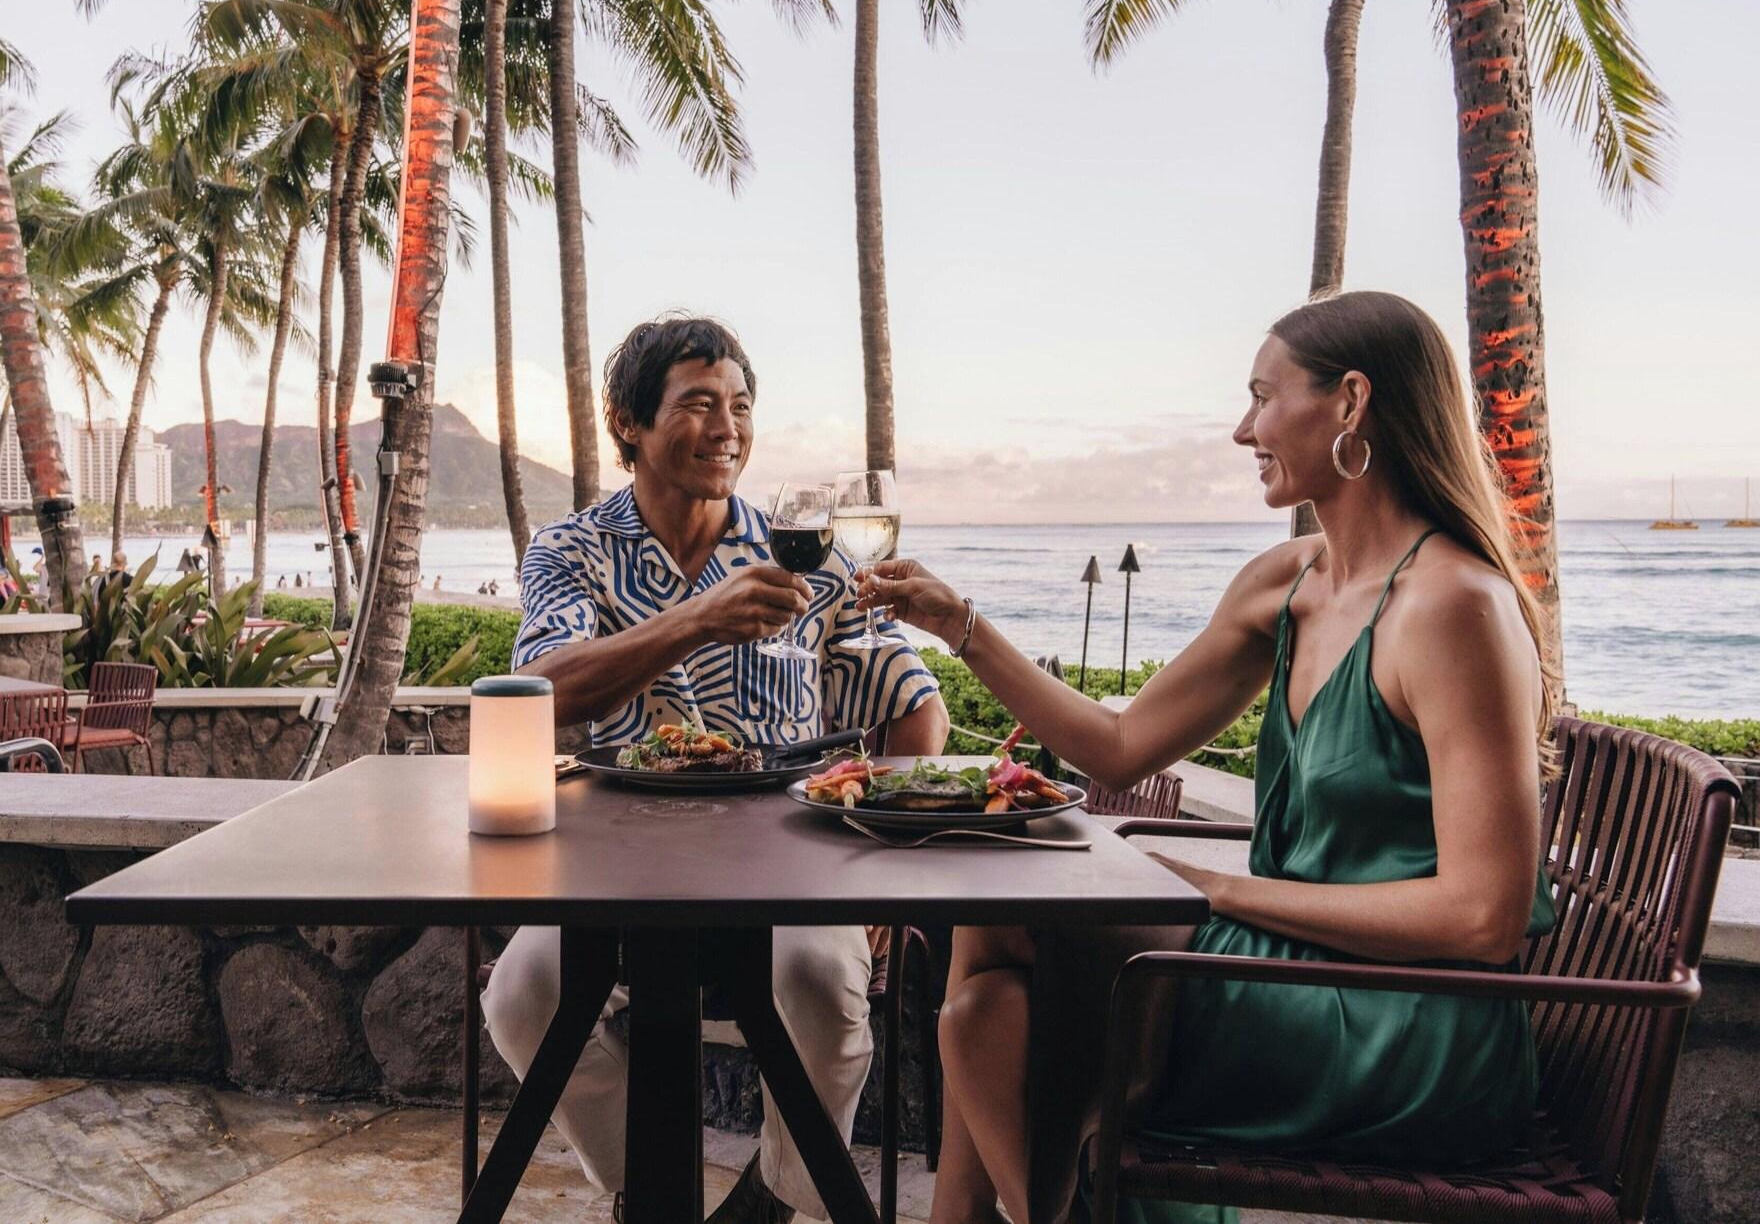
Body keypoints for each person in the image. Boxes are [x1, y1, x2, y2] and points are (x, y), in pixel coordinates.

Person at [859, 293, 1560, 1224]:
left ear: (1351, 403)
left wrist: (1214, 889)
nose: (1242, 429)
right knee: (987, 987)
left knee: (1008, 965)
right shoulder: (1290, 582)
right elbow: (1117, 744)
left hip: (1408, 1018)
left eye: (1263, 396)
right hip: (1288, 966)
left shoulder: (1451, 607)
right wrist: (960, 627)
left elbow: (1484, 918)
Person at [486, 316, 951, 1224]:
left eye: (739, 405)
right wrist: (696, 620)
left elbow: (915, 706)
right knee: (521, 994)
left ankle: (772, 1202)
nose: (726, 427)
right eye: (697, 403)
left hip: (792, 872)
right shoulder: (571, 551)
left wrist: (886, 856)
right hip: (609, 871)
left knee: (822, 986)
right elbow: (538, 687)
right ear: (628, 422)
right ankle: (645, 1192)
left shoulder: (804, 552)